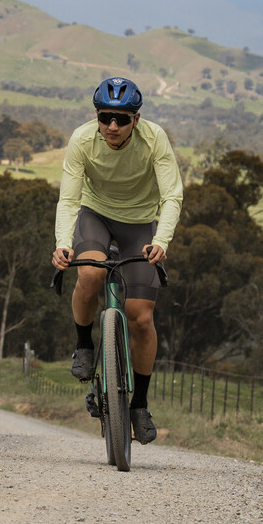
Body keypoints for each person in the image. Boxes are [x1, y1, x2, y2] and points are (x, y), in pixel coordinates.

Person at [49, 76, 181, 444]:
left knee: (140, 317)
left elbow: (172, 195)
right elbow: (69, 200)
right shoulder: (82, 140)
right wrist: (63, 243)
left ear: (136, 120)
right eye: (105, 117)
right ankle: (84, 344)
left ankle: (138, 403)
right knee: (89, 274)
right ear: (97, 116)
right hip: (96, 215)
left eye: (122, 119)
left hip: (141, 223)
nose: (112, 126)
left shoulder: (155, 139)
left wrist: (161, 240)